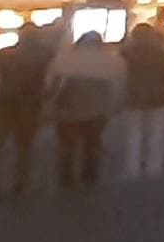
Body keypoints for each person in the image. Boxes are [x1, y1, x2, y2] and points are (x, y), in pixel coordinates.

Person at [0, 23, 58, 196]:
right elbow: (55, 51)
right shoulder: (43, 55)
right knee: (25, 147)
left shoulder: (7, 54)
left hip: (5, 104)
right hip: (30, 105)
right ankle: (21, 182)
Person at [45, 31, 124, 187]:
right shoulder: (110, 61)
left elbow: (54, 87)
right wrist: (113, 106)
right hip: (97, 113)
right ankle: (90, 176)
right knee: (92, 145)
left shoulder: (65, 60)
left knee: (67, 147)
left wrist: (49, 103)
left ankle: (66, 178)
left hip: (68, 111)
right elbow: (115, 87)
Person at [115, 25, 164, 180]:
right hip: (157, 96)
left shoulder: (126, 53)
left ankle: (132, 167)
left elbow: (119, 74)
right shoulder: (160, 53)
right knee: (156, 133)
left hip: (133, 96)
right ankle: (154, 167)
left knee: (133, 134)